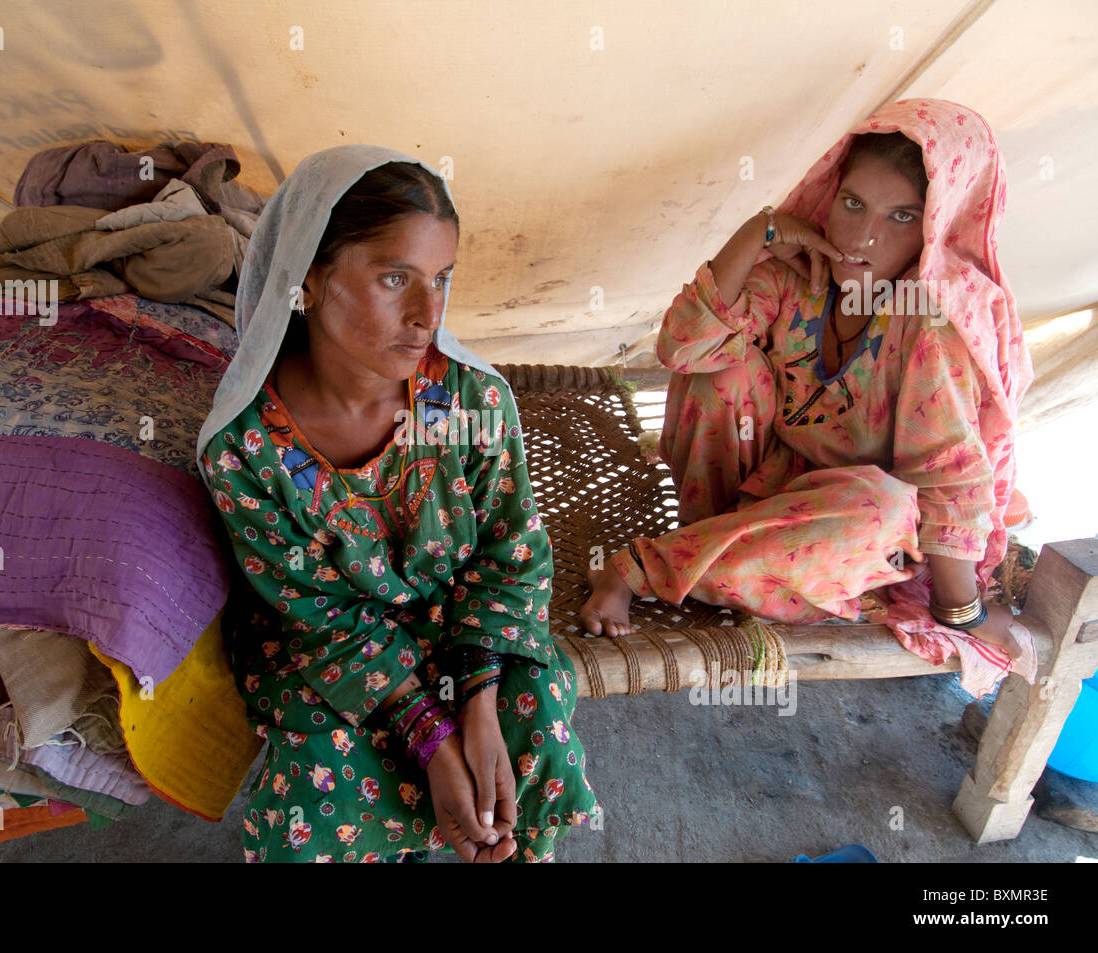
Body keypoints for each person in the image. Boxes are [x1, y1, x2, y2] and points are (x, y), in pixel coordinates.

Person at [196, 145, 597, 862]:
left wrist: (474, 706)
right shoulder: (244, 450)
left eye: (441, 279)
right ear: (309, 282)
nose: (426, 313)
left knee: (532, 736)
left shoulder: (473, 401)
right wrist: (432, 740)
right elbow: (312, 614)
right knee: (317, 800)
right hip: (330, 656)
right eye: (393, 277)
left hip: (469, 631)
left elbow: (511, 555)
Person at [579, 99, 1035, 696]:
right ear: (831, 195)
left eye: (901, 217)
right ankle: (716, 546)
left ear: (936, 227)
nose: (862, 237)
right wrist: (758, 232)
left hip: (852, 524)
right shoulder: (796, 276)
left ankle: (642, 567)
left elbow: (947, 478)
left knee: (880, 509)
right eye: (852, 204)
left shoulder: (930, 319)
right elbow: (682, 348)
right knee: (719, 371)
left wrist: (963, 614)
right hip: (756, 494)